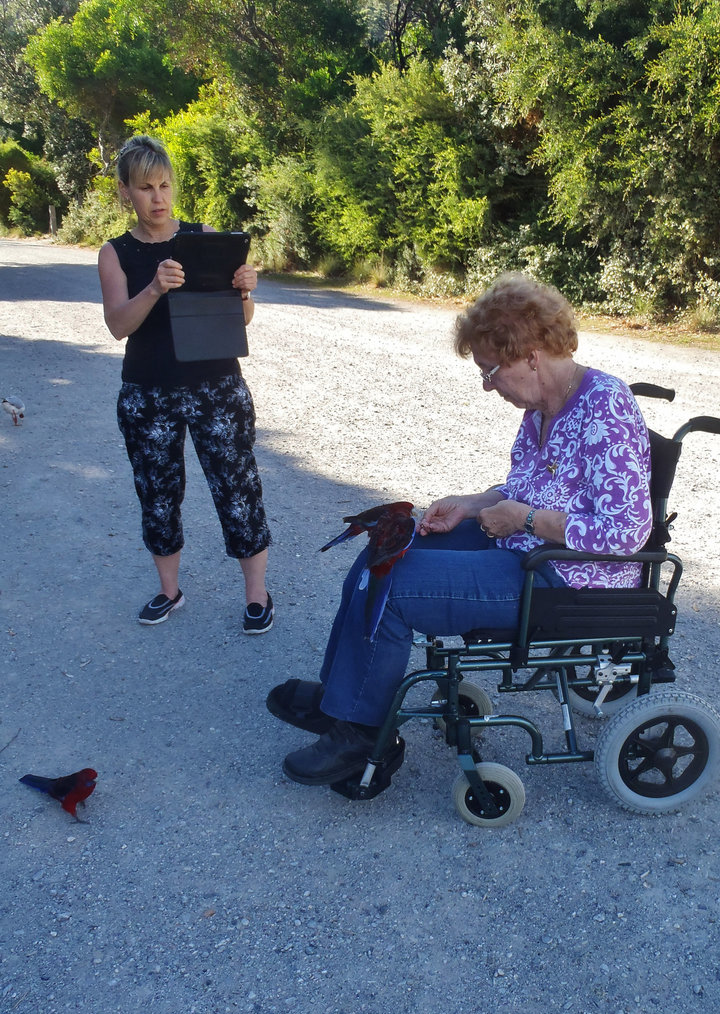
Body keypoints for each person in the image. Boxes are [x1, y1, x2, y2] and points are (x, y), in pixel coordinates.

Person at [268, 273, 652, 785]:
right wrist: (470, 506)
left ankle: (362, 736)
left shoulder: (605, 407)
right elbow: (522, 485)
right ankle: (343, 694)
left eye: (491, 371)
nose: (489, 386)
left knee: (399, 586)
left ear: (532, 355)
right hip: (526, 548)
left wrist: (525, 519)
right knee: (390, 545)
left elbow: (627, 531)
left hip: (568, 580)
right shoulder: (542, 407)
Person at [98, 135, 273, 633]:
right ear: (125, 193)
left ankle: (257, 596)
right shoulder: (115, 254)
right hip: (148, 392)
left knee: (237, 488)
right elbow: (118, 325)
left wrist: (245, 291)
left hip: (216, 385)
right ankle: (168, 591)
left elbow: (240, 318)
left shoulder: (203, 239)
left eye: (165, 185)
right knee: (157, 492)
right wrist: (154, 286)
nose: (158, 197)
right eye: (146, 187)